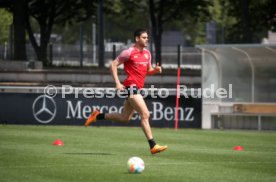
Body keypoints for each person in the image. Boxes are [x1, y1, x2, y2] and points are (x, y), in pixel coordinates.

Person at [85, 29, 167, 154]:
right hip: (130, 87)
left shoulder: (147, 54)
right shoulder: (128, 52)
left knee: (125, 118)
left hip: (138, 88)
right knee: (145, 115)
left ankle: (98, 115)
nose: (147, 39)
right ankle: (153, 145)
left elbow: (148, 70)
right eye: (144, 37)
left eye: (147, 37)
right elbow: (113, 64)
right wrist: (117, 83)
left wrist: (155, 70)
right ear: (137, 39)